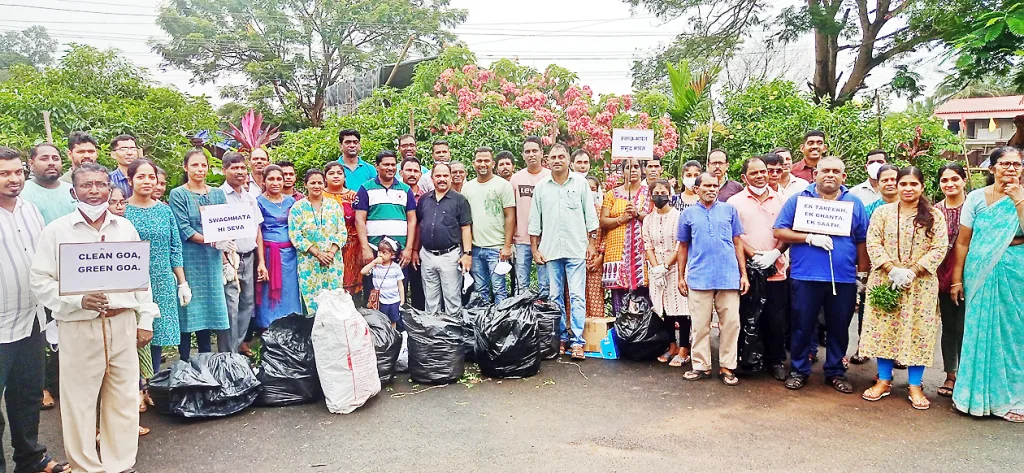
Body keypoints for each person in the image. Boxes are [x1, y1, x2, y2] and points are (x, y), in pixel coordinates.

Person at [31, 161, 157, 473]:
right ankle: (87, 466)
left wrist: (145, 319)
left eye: (100, 184)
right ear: (73, 191)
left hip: (122, 322)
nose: (94, 191)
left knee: (124, 397)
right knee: (79, 401)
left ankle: (120, 462)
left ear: (110, 188)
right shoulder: (57, 230)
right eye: (86, 185)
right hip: (79, 325)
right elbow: (40, 280)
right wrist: (78, 299)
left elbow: (140, 276)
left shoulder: (125, 227)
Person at [0, 147, 69, 473]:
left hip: (32, 320)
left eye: (16, 172)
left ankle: (30, 460)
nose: (13, 179)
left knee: (26, 396)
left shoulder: (30, 209)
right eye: (4, 174)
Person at [773, 156, 868, 393]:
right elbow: (779, 230)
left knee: (839, 326)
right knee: (802, 325)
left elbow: (862, 240)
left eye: (836, 171)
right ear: (815, 174)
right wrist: (808, 237)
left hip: (843, 278)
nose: (830, 175)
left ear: (843, 177)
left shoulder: (854, 203)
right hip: (805, 276)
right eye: (825, 170)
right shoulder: (799, 200)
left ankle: (835, 371)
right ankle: (798, 370)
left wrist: (863, 273)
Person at [859, 166, 947, 410]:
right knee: (883, 329)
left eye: (913, 184)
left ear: (921, 187)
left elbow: (940, 247)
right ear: (896, 186)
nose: (908, 189)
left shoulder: (934, 215)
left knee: (918, 332)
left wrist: (913, 271)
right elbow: (873, 242)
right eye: (903, 184)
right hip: (886, 280)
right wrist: (892, 269)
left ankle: (915, 385)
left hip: (920, 284)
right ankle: (884, 380)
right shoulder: (882, 213)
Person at [950, 146, 1024, 422]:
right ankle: (973, 397)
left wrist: (1018, 199)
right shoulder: (976, 198)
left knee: (1014, 335)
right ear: (992, 168)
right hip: (979, 272)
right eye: (1005, 164)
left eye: (1016, 164)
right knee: (979, 331)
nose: (1011, 169)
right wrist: (956, 278)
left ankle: (1013, 398)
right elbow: (963, 241)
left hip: (1016, 273)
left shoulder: (1023, 195)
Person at [528, 142, 599, 360]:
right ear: (547, 160)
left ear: (568, 159)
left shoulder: (580, 184)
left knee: (577, 296)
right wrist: (534, 249)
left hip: (576, 248)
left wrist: (592, 244)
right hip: (550, 250)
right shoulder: (541, 187)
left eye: (561, 156)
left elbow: (590, 217)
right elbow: (534, 221)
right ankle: (560, 339)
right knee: (554, 296)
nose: (557, 160)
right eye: (553, 157)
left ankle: (577, 342)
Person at [677, 172, 748, 385]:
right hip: (699, 276)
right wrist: (680, 276)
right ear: (696, 189)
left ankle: (727, 366)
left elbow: (737, 243)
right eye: (706, 186)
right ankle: (701, 366)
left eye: (715, 185)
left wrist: (743, 274)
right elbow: (682, 246)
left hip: (728, 276)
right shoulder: (688, 215)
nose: (711, 189)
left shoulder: (729, 210)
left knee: (731, 324)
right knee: (700, 325)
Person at [727, 156, 790, 381]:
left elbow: (787, 230)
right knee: (747, 316)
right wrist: (754, 255)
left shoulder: (781, 200)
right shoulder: (734, 202)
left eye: (763, 171)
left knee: (775, 318)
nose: (761, 176)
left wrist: (775, 254)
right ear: (744, 177)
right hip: (747, 271)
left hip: (777, 269)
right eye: (754, 173)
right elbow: (734, 236)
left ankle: (775, 361)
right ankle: (749, 360)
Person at [125, 158, 189, 375]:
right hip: (132, 281)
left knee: (157, 333)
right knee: (133, 333)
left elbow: (175, 247)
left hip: (162, 278)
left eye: (151, 177)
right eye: (141, 177)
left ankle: (151, 382)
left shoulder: (165, 211)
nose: (147, 181)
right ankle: (136, 386)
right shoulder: (122, 212)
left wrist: (182, 282)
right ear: (130, 180)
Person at [168, 149, 231, 361]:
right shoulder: (178, 194)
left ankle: (207, 364)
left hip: (211, 260)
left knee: (210, 313)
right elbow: (183, 228)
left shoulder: (217, 194)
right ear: (186, 167)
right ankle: (185, 365)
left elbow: (224, 224)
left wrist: (225, 256)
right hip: (189, 259)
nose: (200, 169)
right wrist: (213, 239)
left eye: (203, 165)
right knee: (188, 313)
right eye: (194, 165)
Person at [850, 163, 899, 365]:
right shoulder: (869, 210)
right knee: (868, 308)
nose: (889, 183)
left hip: (905, 269)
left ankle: (897, 351)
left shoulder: (910, 208)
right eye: (884, 180)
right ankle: (865, 346)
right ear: (877, 184)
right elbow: (863, 240)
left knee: (900, 309)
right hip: (875, 267)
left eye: (893, 179)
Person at [218, 152, 267, 354]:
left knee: (247, 305)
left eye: (242, 168)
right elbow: (214, 231)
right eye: (234, 168)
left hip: (250, 257)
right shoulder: (218, 195)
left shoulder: (249, 198)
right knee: (231, 307)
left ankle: (236, 349)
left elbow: (257, 230)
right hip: (230, 259)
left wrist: (261, 261)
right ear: (224, 170)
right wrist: (224, 259)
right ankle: (227, 355)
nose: (240, 172)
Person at [355, 150, 417, 297]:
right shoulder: (366, 189)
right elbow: (359, 220)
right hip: (374, 251)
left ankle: (396, 320)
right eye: (386, 164)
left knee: (397, 293)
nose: (390, 168)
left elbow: (412, 220)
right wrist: (365, 248)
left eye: (393, 164)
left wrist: (408, 249)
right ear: (377, 166)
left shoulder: (405, 190)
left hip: (399, 253)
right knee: (373, 294)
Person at [642, 179, 690, 366]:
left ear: (670, 194)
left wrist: (666, 267)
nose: (659, 196)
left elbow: (681, 245)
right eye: (656, 192)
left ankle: (685, 348)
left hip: (677, 267)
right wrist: (655, 268)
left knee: (681, 309)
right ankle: (672, 346)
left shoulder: (679, 217)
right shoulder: (647, 220)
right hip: (657, 270)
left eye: (663, 192)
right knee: (664, 308)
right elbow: (648, 245)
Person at [415, 162, 473, 314]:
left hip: (450, 256)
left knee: (452, 299)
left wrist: (467, 254)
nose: (442, 179)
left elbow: (466, 227)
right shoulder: (424, 200)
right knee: (431, 300)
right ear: (432, 178)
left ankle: (452, 335)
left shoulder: (459, 200)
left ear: (450, 178)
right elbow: (418, 226)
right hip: (427, 255)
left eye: (445, 175)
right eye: (438, 176)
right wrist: (415, 250)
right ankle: (433, 333)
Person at [289, 169, 347, 315]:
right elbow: (295, 235)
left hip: (332, 261)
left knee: (334, 299)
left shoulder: (334, 206)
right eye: (312, 183)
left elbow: (342, 231)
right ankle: (313, 334)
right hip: (309, 262)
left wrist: (331, 253)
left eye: (319, 183)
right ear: (305, 185)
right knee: (312, 300)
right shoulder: (298, 208)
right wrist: (317, 253)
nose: (316, 186)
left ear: (324, 183)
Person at [462, 147, 516, 304]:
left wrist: (507, 246)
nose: (483, 164)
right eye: (479, 161)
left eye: (486, 160)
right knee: (480, 291)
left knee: (499, 289)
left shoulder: (502, 185)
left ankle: (501, 324)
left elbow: (510, 216)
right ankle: (484, 325)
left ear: (493, 163)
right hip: (476, 247)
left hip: (497, 248)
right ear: (473, 164)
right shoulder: (467, 188)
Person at [933, 162, 968, 398]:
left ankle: (968, 376)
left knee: (967, 326)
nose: (950, 184)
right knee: (949, 326)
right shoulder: (935, 211)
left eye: (954, 178)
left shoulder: (974, 207)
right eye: (945, 180)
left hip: (970, 271)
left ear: (964, 180)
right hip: (942, 273)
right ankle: (950, 375)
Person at [600, 157, 651, 312]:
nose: (633, 170)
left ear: (641, 170)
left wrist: (637, 214)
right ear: (623, 171)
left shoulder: (648, 193)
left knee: (642, 297)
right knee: (619, 299)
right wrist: (621, 219)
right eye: (629, 167)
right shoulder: (612, 194)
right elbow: (603, 221)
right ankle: (620, 333)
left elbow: (654, 219)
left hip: (641, 253)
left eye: (636, 166)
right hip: (617, 253)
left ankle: (641, 334)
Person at [256, 165, 303, 327]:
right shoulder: (258, 202)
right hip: (269, 254)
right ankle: (269, 326)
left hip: (290, 254)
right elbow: (258, 232)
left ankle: (291, 324)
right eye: (271, 179)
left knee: (290, 290)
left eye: (278, 179)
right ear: (264, 181)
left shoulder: (291, 201)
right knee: (270, 291)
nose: (275, 183)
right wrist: (261, 261)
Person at [511, 136, 551, 295]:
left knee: (545, 285)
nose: (531, 154)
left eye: (535, 151)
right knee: (522, 285)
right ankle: (520, 317)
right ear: (522, 155)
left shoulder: (550, 177)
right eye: (527, 151)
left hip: (546, 240)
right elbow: (510, 212)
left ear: (542, 153)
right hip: (521, 240)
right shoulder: (516, 179)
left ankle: (545, 317)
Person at [323, 162, 362, 299]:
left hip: (352, 246)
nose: (335, 176)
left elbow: (361, 220)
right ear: (325, 177)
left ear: (345, 177)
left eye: (339, 173)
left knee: (351, 285)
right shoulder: (319, 196)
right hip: (326, 249)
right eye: (331, 173)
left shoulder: (354, 196)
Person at [21, 143, 77, 224]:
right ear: (31, 163)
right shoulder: (22, 193)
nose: (51, 163)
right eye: (44, 159)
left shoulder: (73, 191)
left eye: (55, 158)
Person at [361, 239, 405, 329]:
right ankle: (383, 336)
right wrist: (373, 262)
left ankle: (393, 336)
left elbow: (400, 285)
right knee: (381, 320)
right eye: (379, 252)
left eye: (384, 253)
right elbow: (363, 271)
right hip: (380, 300)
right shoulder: (376, 266)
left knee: (393, 320)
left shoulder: (396, 268)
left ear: (392, 255)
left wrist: (402, 300)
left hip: (394, 300)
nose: (380, 255)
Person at [401, 157, 427, 309]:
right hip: (398, 250)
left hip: (419, 251)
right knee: (399, 289)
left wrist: (415, 249)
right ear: (401, 172)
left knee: (419, 290)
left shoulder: (426, 197)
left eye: (416, 171)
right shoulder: (395, 194)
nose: (412, 174)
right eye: (408, 170)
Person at [584, 175, 606, 318]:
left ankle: (596, 333)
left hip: (596, 260)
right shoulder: (575, 212)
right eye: (587, 189)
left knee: (595, 297)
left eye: (593, 189)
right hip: (576, 261)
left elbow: (606, 236)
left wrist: (600, 258)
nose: (590, 192)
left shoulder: (601, 212)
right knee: (575, 297)